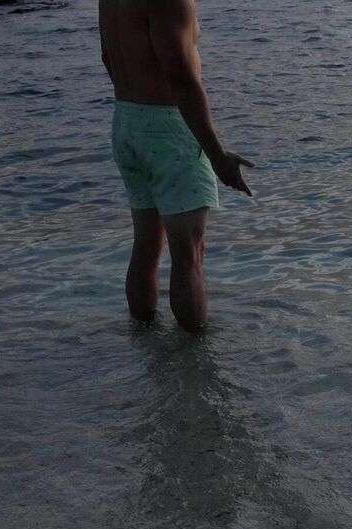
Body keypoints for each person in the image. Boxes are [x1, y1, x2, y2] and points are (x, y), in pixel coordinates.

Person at [100, 0, 254, 331]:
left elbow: (107, 58)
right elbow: (182, 78)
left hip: (126, 118)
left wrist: (138, 101)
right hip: (168, 127)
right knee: (189, 254)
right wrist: (217, 155)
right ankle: (194, 355)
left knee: (146, 244)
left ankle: (143, 343)